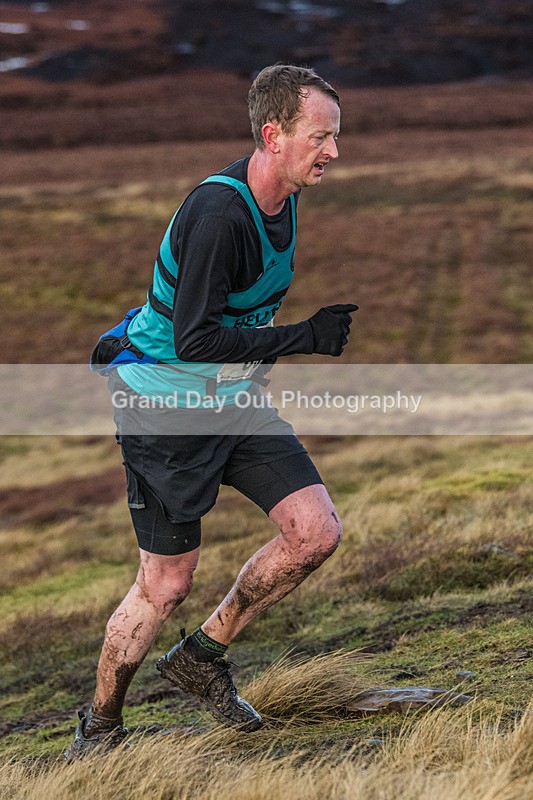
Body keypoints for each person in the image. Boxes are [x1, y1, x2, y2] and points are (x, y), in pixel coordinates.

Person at [65, 63, 357, 759]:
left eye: (335, 137)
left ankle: (200, 658)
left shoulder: (283, 193)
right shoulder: (222, 213)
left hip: (232, 401)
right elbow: (194, 339)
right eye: (321, 137)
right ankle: (100, 726)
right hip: (165, 411)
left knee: (314, 532)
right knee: (165, 585)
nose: (334, 152)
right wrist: (303, 337)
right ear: (272, 134)